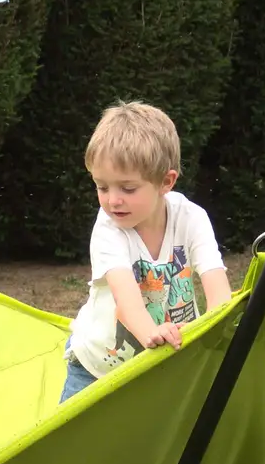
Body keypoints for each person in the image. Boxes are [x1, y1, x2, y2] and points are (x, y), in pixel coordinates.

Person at [61, 101, 232, 403]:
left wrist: (215, 329)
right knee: (69, 446)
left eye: (127, 189)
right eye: (102, 187)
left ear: (166, 182)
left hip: (162, 364)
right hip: (95, 367)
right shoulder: (108, 230)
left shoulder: (192, 218)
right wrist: (153, 334)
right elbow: (128, 305)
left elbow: (218, 293)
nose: (113, 201)